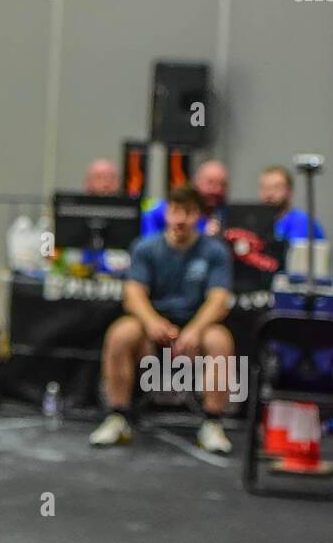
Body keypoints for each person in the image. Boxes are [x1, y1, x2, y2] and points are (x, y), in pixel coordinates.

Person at [91, 184, 235, 454]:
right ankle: (117, 416)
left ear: (199, 216)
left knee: (220, 341)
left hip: (196, 323)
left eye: (189, 212)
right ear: (167, 212)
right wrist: (151, 322)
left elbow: (218, 300)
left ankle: (213, 422)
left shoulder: (215, 252)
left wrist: (194, 330)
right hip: (153, 323)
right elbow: (133, 294)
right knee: (120, 334)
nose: (180, 219)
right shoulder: (146, 248)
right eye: (175, 211)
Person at [141, 159, 229, 237]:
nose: (217, 189)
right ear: (198, 181)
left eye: (222, 184)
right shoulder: (167, 208)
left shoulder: (222, 212)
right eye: (210, 183)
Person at [257, 165, 325, 243]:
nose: (270, 194)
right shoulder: (255, 224)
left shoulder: (301, 221)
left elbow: (294, 253)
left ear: (289, 191)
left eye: (277, 187)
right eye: (265, 188)